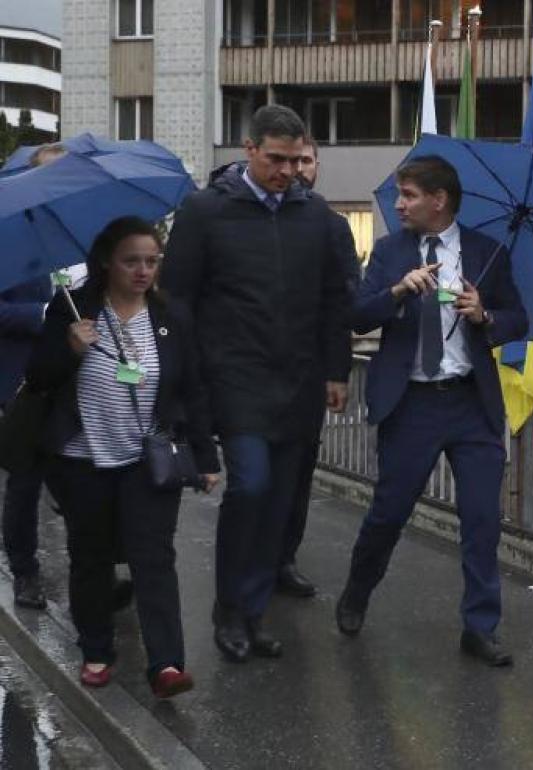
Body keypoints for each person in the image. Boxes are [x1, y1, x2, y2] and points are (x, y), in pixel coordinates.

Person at [161, 105, 352, 663]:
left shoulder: (318, 218)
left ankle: (253, 609)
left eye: (296, 160)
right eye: (275, 159)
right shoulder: (204, 212)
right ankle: (228, 608)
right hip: (234, 378)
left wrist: (337, 370)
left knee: (280, 501)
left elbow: (334, 301)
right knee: (251, 486)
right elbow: (178, 299)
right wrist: (185, 375)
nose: (287, 170)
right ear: (248, 150)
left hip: (298, 382)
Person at [335, 156, 527, 667]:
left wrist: (485, 315)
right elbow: (355, 315)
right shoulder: (389, 251)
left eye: (410, 195)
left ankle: (480, 627)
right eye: (399, 194)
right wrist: (398, 291)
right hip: (412, 403)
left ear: (438, 200)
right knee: (389, 513)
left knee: (482, 518)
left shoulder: (487, 254)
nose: (399, 204)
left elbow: (517, 319)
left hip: (471, 403)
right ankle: (357, 591)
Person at [26, 216, 220, 697]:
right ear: (107, 263)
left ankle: (167, 665)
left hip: (147, 459)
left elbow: (193, 390)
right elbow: (40, 378)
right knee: (90, 556)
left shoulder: (172, 317)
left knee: (153, 557)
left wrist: (206, 456)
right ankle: (95, 649)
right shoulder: (72, 311)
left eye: (152, 261)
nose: (142, 271)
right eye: (131, 261)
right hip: (82, 458)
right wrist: (70, 348)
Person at [273, 136, 361, 598]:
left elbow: (343, 304)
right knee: (254, 474)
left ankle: (284, 556)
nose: (299, 169)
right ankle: (252, 556)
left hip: (308, 371)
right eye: (291, 160)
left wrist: (338, 371)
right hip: (255, 370)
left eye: (307, 161)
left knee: (299, 467)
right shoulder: (249, 216)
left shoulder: (330, 225)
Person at [0, 142, 77, 610]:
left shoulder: (85, 238)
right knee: (26, 482)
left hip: (81, 376)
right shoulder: (8, 237)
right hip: (25, 380)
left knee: (85, 478)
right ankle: (25, 570)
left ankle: (98, 571)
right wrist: (43, 311)